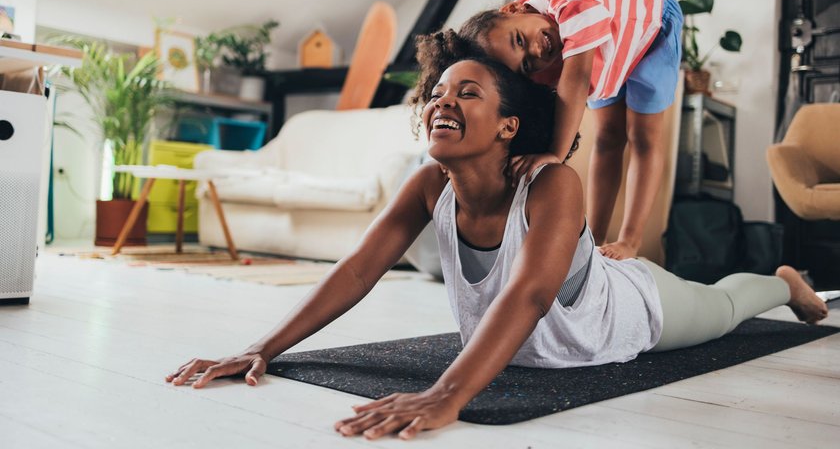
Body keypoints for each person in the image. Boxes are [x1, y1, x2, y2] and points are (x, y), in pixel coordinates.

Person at [166, 47, 827, 441]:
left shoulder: (552, 184)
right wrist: (259, 348)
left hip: (634, 314)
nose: (441, 101)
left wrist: (448, 395)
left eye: (468, 92)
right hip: (561, 331)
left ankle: (787, 282)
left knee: (723, 307)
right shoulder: (428, 185)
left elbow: (534, 291)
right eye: (437, 92)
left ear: (509, 125)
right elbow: (358, 271)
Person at [454, 0, 684, 260]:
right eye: (525, 63)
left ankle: (630, 241)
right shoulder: (538, 59)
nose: (536, 52)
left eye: (520, 40)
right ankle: (594, 239)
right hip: (611, 46)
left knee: (643, 136)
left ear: (514, 9)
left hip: (652, 24)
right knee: (607, 136)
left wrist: (555, 155)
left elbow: (575, 81)